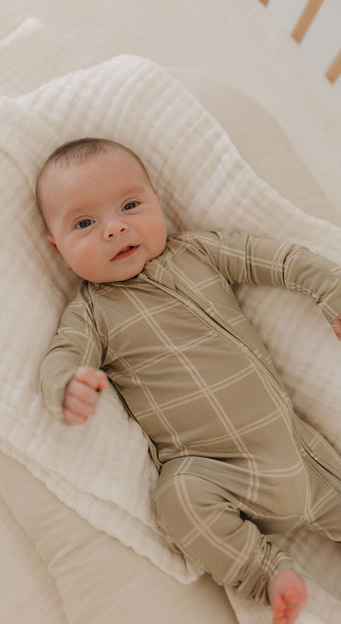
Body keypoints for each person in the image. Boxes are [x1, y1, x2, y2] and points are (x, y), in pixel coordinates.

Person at [36, 137, 341, 624]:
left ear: (157, 202)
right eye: (84, 224)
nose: (114, 227)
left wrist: (330, 290)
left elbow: (279, 259)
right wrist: (67, 386)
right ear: (59, 250)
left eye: (130, 206)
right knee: (176, 498)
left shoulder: (198, 251)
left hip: (303, 455)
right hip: (216, 474)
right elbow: (62, 357)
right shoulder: (92, 313)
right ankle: (266, 574)